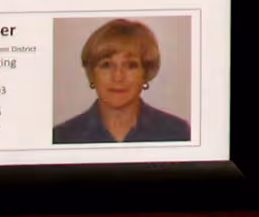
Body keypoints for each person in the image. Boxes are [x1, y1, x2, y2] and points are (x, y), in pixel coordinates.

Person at [52, 18, 191, 143]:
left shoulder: (177, 133)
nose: (118, 77)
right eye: (106, 65)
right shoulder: (62, 137)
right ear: (92, 73)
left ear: (146, 72)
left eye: (131, 66)